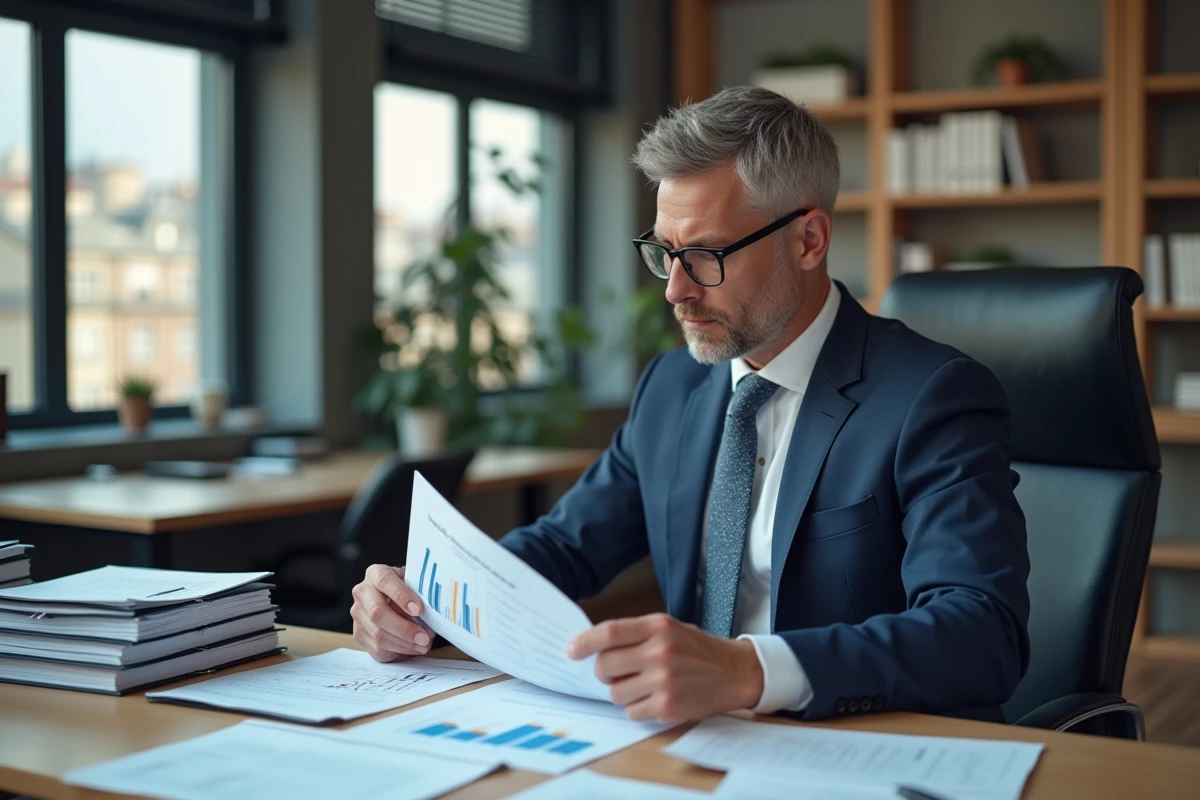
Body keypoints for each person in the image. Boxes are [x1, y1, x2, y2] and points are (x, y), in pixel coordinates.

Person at [350, 86, 1031, 725]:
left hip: (862, 744)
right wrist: (430, 598)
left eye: (705, 255)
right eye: (665, 253)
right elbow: (564, 545)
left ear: (809, 240)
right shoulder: (672, 389)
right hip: (691, 744)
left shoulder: (931, 396)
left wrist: (748, 671)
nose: (675, 291)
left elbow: (981, 632)